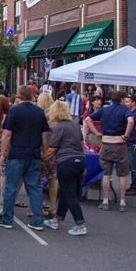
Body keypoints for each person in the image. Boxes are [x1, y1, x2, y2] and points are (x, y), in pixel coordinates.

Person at [0, 86, 50, 231]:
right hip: (34, 154)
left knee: (11, 187)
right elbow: (45, 135)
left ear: (19, 96)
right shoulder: (39, 112)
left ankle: (7, 219)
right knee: (34, 187)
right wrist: (45, 152)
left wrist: (3, 154)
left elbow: (7, 134)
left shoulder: (14, 111)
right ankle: (38, 220)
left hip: (17, 154)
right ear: (32, 96)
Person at [43, 101, 87, 235]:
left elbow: (52, 149)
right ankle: (56, 220)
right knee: (67, 192)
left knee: (69, 193)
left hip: (65, 161)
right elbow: (81, 143)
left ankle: (80, 224)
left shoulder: (59, 127)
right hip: (79, 160)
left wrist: (43, 160)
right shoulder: (74, 125)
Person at [87, 91, 134, 212]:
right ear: (122, 99)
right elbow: (130, 121)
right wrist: (126, 135)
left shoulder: (105, 109)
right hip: (120, 143)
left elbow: (88, 119)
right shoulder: (125, 110)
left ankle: (105, 201)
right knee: (122, 174)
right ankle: (123, 202)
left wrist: (96, 133)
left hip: (106, 143)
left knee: (106, 174)